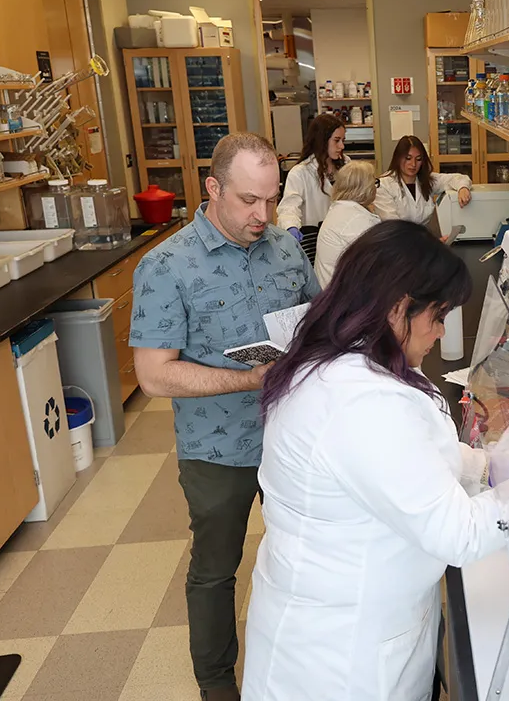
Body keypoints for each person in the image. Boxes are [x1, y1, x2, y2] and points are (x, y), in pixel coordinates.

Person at [241, 220, 509, 701]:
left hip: (369, 620)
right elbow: (457, 534)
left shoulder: (344, 360)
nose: (441, 330)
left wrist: (489, 466)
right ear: (399, 307)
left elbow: (410, 455)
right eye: (438, 315)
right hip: (341, 659)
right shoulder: (356, 402)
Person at [130, 132, 321, 701]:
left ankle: (303, 668)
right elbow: (155, 374)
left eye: (271, 198)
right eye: (247, 201)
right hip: (219, 449)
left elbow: (317, 319)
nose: (263, 214)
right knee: (216, 570)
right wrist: (248, 378)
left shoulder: (286, 247)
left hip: (293, 438)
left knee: (305, 555)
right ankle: (215, 685)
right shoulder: (166, 265)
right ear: (213, 189)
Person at [277, 113, 350, 239]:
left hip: (344, 235)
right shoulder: (301, 173)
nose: (342, 146)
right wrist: (291, 227)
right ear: (321, 140)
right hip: (315, 239)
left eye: (343, 141)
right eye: (336, 140)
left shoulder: (347, 164)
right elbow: (289, 207)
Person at [375, 135, 472, 227]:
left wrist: (463, 188)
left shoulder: (426, 180)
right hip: (397, 241)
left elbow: (459, 178)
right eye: (408, 158)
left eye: (418, 159)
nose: (413, 164)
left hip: (422, 238)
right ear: (398, 158)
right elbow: (393, 225)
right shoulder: (383, 186)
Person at [313, 160, 381, 288]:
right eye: (374, 183)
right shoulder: (356, 219)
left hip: (335, 293)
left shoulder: (341, 211)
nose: (375, 188)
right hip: (346, 299)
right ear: (364, 188)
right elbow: (379, 265)